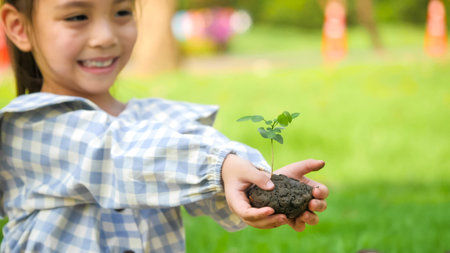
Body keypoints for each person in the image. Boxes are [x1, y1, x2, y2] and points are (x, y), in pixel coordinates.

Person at [0, 0, 329, 252]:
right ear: (18, 28)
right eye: (77, 17)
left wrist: (259, 185)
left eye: (122, 13)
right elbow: (121, 154)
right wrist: (220, 167)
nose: (105, 37)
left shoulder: (158, 120)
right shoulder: (30, 125)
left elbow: (200, 158)